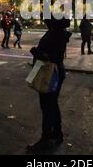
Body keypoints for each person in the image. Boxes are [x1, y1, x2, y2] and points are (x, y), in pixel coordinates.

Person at [27, 18, 71, 152]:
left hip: (49, 72)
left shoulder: (54, 35)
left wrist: (35, 51)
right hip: (56, 71)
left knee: (47, 106)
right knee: (52, 104)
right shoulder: (60, 34)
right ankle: (57, 134)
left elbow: (49, 56)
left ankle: (45, 139)